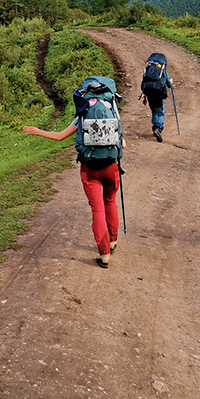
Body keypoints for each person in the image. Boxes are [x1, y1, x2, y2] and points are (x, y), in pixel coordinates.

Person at [24, 78, 124, 268]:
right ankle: (112, 241)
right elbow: (122, 143)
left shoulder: (83, 113)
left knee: (97, 209)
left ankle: (104, 255)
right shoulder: (113, 112)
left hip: (90, 169)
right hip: (111, 167)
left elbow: (60, 136)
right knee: (110, 201)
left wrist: (39, 131)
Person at [140, 53, 174, 143]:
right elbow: (169, 85)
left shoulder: (148, 69)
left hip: (148, 93)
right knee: (160, 110)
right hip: (158, 93)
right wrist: (171, 82)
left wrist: (144, 97)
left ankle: (155, 126)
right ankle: (158, 127)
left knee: (154, 110)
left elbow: (145, 82)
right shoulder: (163, 71)